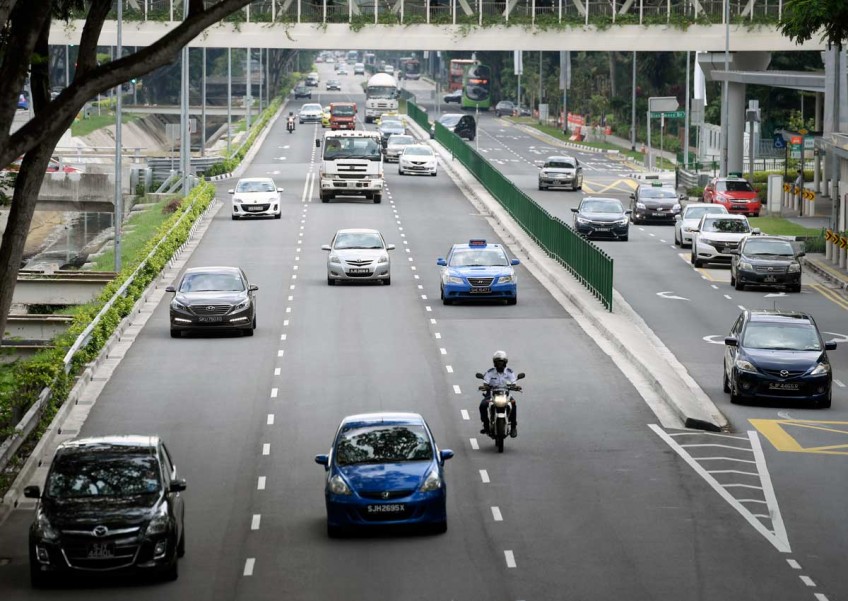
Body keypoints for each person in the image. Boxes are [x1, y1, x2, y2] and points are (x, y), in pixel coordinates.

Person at [479, 350, 519, 438]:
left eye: (501, 362)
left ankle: (513, 427)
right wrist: (484, 387)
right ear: (494, 363)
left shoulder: (509, 372)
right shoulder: (490, 372)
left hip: (505, 393)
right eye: (497, 362)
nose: (499, 364)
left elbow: (514, 382)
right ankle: (485, 425)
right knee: (482, 405)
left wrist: (516, 387)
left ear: (505, 362)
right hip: (492, 393)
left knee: (513, 404)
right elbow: (485, 382)